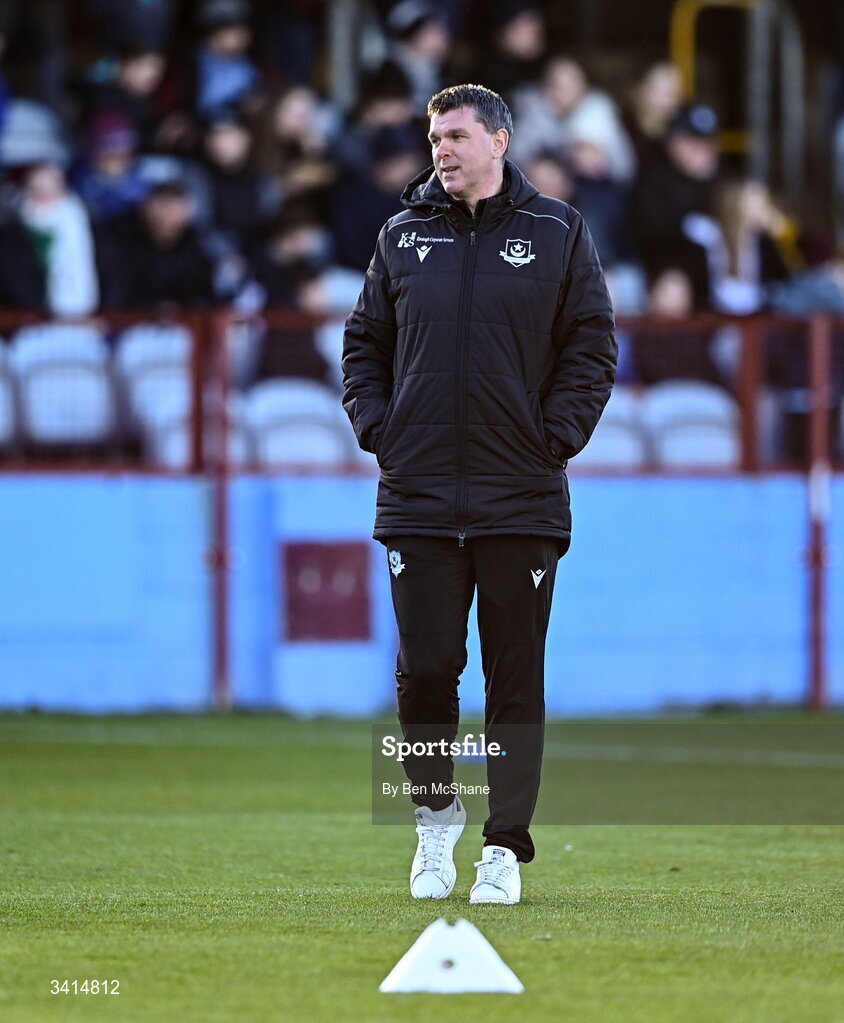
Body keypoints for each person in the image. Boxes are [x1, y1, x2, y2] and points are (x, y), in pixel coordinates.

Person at [342, 84, 616, 904]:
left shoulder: (559, 231)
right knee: (425, 673)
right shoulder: (401, 235)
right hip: (417, 493)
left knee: (514, 677)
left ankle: (504, 848)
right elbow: (364, 343)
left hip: (521, 494)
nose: (442, 150)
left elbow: (593, 346)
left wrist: (553, 436)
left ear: (500, 140)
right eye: (434, 138)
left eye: (457, 135)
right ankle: (435, 819)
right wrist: (381, 427)